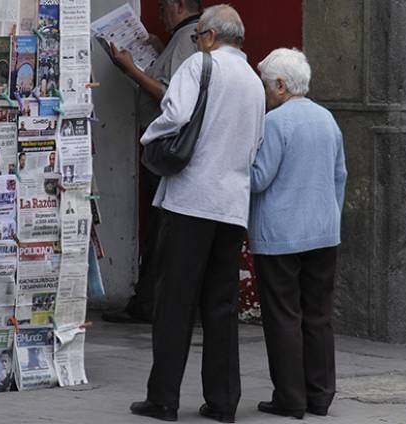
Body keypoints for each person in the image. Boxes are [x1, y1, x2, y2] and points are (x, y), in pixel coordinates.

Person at [129, 6, 265, 423]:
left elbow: (173, 116)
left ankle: (164, 398)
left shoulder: (198, 65)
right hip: (231, 205)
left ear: (206, 36)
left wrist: (148, 137)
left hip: (190, 200)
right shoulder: (256, 81)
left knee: (175, 303)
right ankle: (223, 401)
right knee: (220, 306)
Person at [249, 48, 347, 419]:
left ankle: (290, 397)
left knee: (283, 316)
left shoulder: (275, 123)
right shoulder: (327, 119)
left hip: (279, 235)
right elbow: (340, 176)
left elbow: (259, 180)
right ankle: (320, 395)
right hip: (323, 232)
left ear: (279, 84)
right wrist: (329, 214)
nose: (264, 91)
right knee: (318, 316)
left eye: (265, 84)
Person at [102, 0, 202, 325]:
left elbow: (173, 98)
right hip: (167, 148)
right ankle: (151, 300)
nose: (159, 17)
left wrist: (131, 70)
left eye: (161, 10)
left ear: (177, 6)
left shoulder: (189, 38)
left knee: (162, 226)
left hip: (169, 148)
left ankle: (149, 303)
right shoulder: (184, 38)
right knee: (162, 225)